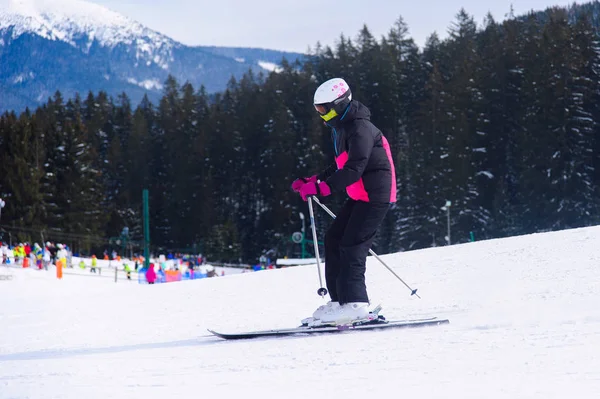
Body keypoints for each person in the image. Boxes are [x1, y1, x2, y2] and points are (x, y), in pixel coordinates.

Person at [292, 77, 397, 324]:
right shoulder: (342, 128)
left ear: (339, 104)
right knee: (334, 239)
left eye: (323, 108)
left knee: (352, 246)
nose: (321, 114)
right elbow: (339, 164)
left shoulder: (360, 129)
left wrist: (322, 189)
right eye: (318, 109)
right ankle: (341, 302)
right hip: (360, 195)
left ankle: (357, 304)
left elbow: (354, 169)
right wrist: (314, 179)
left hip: (375, 195)